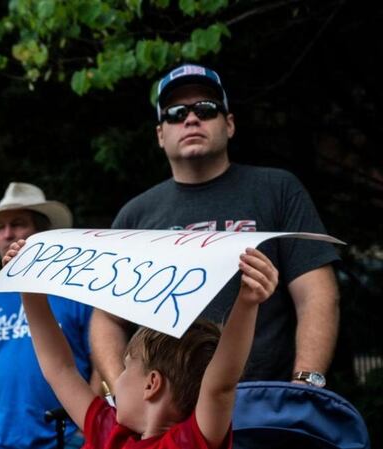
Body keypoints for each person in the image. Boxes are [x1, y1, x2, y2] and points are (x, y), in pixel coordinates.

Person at [91, 64, 340, 390]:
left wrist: (306, 383)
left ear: (230, 124)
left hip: (260, 404)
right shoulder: (135, 216)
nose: (191, 119)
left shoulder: (276, 188)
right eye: (176, 113)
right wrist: (123, 392)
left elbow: (316, 294)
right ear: (160, 135)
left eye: (206, 109)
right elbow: (106, 319)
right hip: (168, 417)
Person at [4, 239, 279, 449]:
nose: (116, 379)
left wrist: (247, 303)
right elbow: (59, 368)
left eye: (125, 368)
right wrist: (29, 289)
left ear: (152, 384)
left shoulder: (190, 442)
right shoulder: (110, 431)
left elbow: (219, 385)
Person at [0, 182, 95, 449]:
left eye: (17, 224)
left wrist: (86, 434)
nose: (6, 234)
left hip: (66, 440)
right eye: (0, 228)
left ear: (42, 231)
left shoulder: (77, 292)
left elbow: (100, 368)